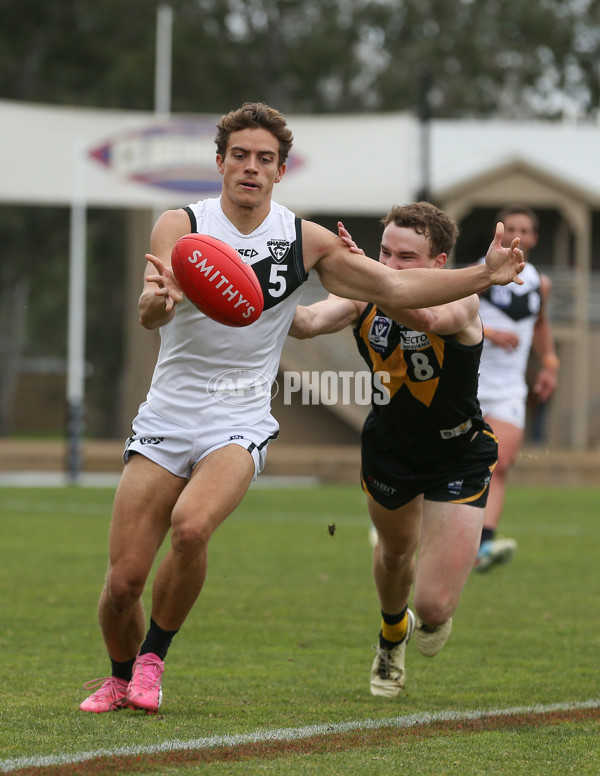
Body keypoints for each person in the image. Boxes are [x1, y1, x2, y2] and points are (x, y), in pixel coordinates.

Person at [79, 103, 524, 714]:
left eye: (265, 159)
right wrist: (159, 305)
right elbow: (152, 309)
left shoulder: (303, 240)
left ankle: (153, 661)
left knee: (190, 529)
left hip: (240, 418)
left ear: (281, 171)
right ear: (219, 162)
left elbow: (393, 290)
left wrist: (484, 273)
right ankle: (119, 675)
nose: (251, 168)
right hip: (166, 415)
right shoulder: (181, 223)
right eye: (240, 156)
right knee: (122, 582)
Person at [289, 202, 500, 698]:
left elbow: (426, 315)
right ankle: (389, 635)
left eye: (407, 257)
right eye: (385, 252)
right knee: (393, 555)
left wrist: (367, 279)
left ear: (438, 263)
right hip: (390, 450)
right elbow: (306, 323)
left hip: (456, 455)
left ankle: (420, 617)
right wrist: (229, 295)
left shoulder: (463, 303)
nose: (391, 264)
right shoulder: (363, 297)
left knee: (433, 608)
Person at [474, 206, 559, 572]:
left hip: (509, 388)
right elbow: (449, 315)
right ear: (500, 232)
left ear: (534, 237)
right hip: (469, 382)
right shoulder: (478, 272)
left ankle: (483, 546)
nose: (517, 234)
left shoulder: (541, 282)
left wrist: (550, 364)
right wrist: (491, 333)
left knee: (500, 463)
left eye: (525, 229)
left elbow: (540, 326)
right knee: (452, 463)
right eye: (511, 227)